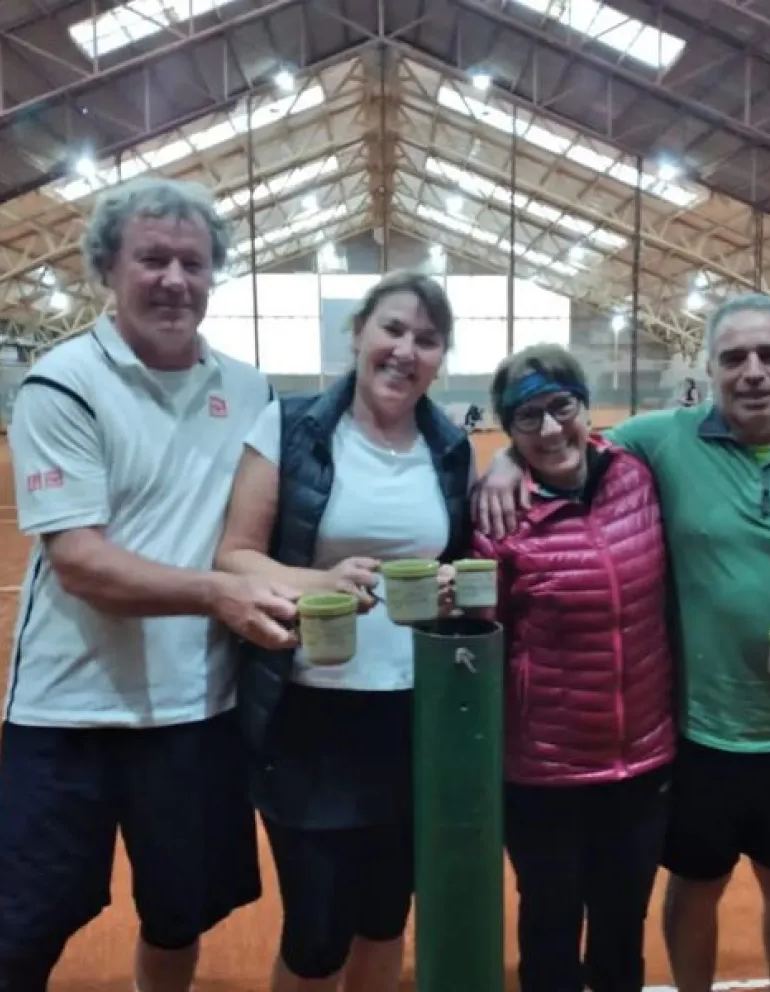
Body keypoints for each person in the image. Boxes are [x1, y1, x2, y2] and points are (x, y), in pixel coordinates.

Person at [473, 293, 770, 992]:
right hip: (692, 731)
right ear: (710, 369)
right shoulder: (664, 440)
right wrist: (501, 460)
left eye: (769, 354)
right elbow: (561, 440)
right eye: (734, 358)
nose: (753, 371)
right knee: (693, 886)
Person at [0, 177, 300, 992]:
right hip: (69, 712)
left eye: (193, 262)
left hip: (195, 710)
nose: (175, 280)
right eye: (152, 259)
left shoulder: (251, 390)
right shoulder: (64, 382)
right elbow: (80, 561)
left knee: (177, 918)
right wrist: (216, 595)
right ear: (107, 269)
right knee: (21, 941)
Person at [214, 270, 473, 992]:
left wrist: (451, 586)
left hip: (414, 716)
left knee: (385, 918)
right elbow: (234, 556)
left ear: (440, 358)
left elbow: (459, 561)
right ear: (358, 333)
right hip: (309, 716)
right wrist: (313, 582)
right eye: (393, 329)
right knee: (317, 935)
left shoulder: (449, 447)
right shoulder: (288, 426)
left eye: (427, 339)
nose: (406, 350)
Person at [467, 344, 674, 992]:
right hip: (544, 772)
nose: (551, 429)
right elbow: (482, 635)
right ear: (509, 428)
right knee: (550, 933)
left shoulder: (637, 475)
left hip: (641, 763)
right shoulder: (498, 514)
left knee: (621, 933)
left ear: (586, 407)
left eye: (562, 407)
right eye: (527, 418)